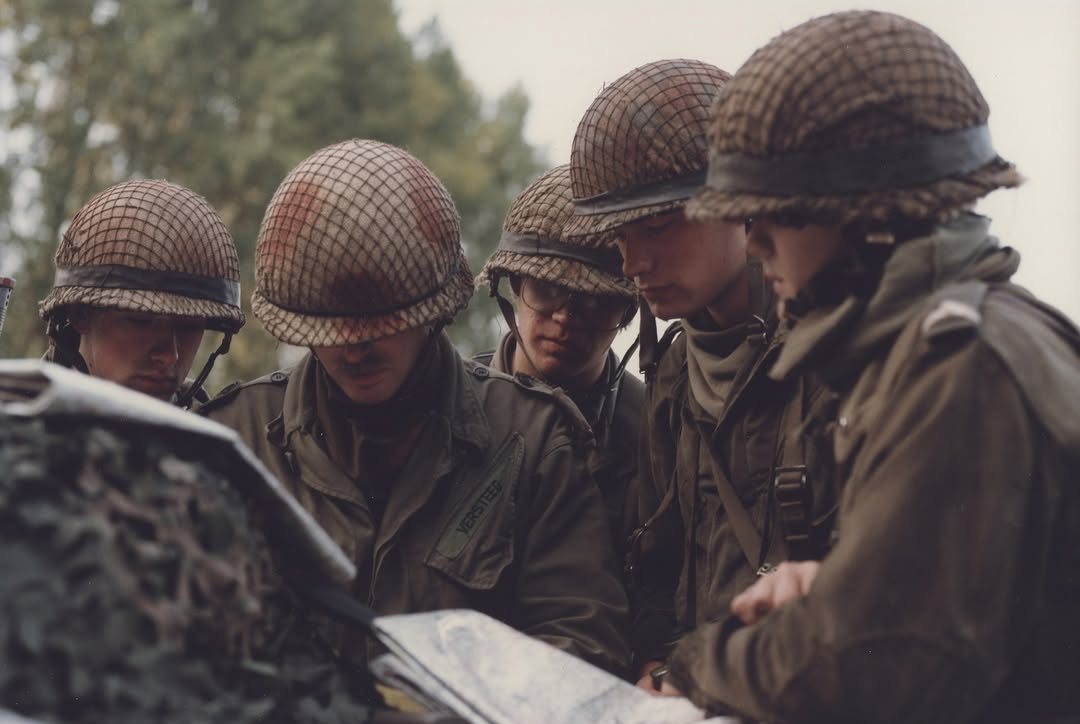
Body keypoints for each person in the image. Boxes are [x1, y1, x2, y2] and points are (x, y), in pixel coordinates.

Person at [661, 11, 1080, 724]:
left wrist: (702, 663)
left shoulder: (961, 368)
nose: (755, 241)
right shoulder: (961, 342)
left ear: (871, 218)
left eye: (779, 214)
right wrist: (838, 587)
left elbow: (862, 670)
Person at [201, 139, 630, 678]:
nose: (355, 351)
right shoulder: (235, 443)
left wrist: (472, 709)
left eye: (382, 327)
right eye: (331, 331)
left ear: (432, 315)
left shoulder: (531, 440)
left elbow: (582, 639)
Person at [563, 59, 836, 691]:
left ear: (743, 210)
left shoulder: (833, 355)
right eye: (620, 235)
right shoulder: (673, 372)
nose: (633, 261)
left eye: (658, 227)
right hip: (701, 703)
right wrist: (657, 668)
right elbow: (657, 564)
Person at [477, 164, 641, 558]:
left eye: (595, 302)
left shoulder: (657, 428)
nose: (566, 318)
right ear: (515, 284)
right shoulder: (456, 408)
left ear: (626, 313)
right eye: (548, 290)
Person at [39, 180, 244, 406]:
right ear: (80, 315)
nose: (170, 356)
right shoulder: (19, 417)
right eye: (141, 322)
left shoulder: (215, 426)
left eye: (189, 327)